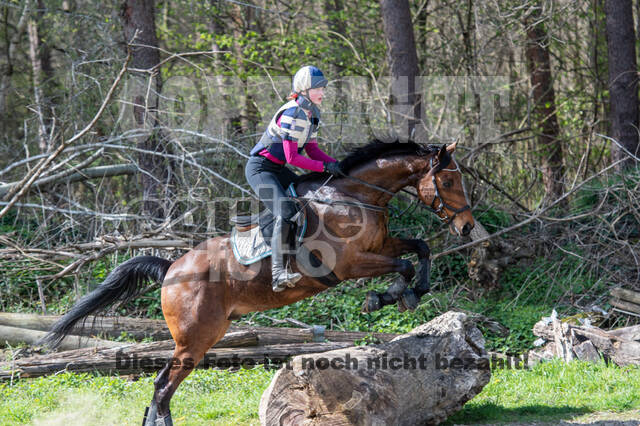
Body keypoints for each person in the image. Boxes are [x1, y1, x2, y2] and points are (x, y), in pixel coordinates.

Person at [246, 65, 342, 292]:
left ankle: (300, 253)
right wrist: (324, 166)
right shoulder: (292, 113)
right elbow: (292, 157)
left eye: (323, 89)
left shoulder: (313, 114)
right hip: (261, 169)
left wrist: (337, 165)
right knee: (287, 211)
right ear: (304, 90)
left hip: (277, 168)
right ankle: (278, 273)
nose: (323, 93)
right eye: (318, 89)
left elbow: (313, 152)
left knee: (307, 194)